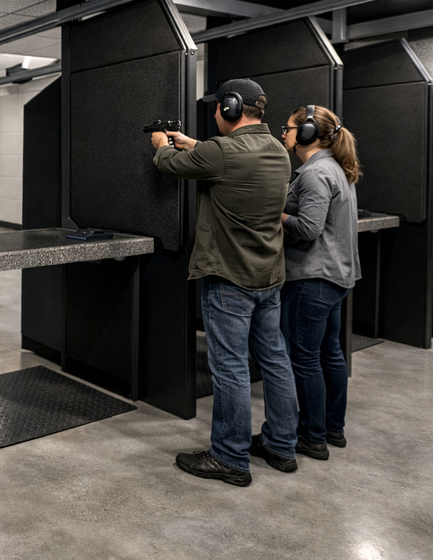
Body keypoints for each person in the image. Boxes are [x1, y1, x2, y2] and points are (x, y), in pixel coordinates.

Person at [149, 78, 299, 486]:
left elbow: (168, 165)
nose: (215, 112)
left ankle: (230, 458)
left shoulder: (221, 152)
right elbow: (226, 159)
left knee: (230, 368)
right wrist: (195, 143)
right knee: (275, 360)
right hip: (269, 277)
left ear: (231, 108)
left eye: (218, 107)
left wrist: (162, 142)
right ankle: (282, 446)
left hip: (229, 277)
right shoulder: (278, 151)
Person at [278, 104, 361, 461]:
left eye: (289, 128)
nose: (284, 133)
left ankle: (311, 436)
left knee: (304, 358)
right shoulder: (333, 168)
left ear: (308, 134)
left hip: (313, 277)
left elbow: (308, 228)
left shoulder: (314, 174)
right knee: (329, 354)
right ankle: (331, 428)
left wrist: (275, 214)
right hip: (335, 277)